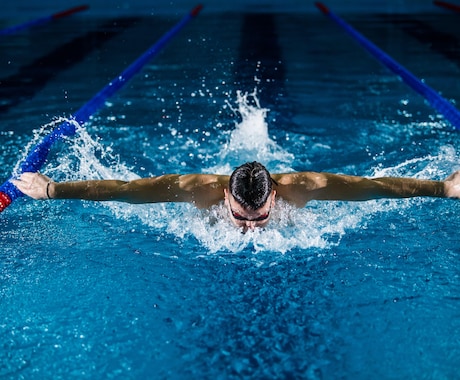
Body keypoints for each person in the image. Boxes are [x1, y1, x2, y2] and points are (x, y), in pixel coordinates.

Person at [12, 161, 460, 232]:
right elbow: (127, 192)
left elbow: (373, 187)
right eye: (241, 217)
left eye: (261, 219)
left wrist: (443, 188)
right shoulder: (195, 189)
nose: (248, 230)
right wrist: (52, 190)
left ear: (276, 196)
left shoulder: (306, 187)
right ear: (223, 193)